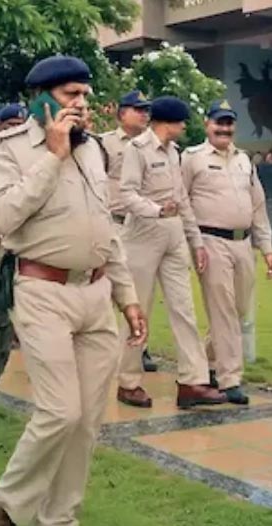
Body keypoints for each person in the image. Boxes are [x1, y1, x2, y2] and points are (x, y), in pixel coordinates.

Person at [0, 54, 147, 526]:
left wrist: (127, 296)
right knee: (59, 412)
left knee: (86, 422)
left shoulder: (93, 149)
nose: (82, 103)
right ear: (41, 99)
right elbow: (4, 216)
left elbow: (105, 227)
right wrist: (51, 156)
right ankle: (1, 511)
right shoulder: (7, 149)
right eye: (72, 95)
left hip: (96, 293)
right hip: (42, 290)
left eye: (85, 94)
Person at [115, 96, 226, 409]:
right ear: (168, 122)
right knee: (138, 309)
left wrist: (196, 241)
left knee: (184, 308)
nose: (184, 127)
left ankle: (192, 381)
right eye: (181, 121)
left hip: (173, 234)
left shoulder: (174, 152)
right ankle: (128, 382)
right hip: (143, 234)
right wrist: (155, 210)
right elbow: (126, 194)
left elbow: (182, 199)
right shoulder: (137, 149)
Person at [182, 99, 272, 404]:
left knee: (237, 309)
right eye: (218, 122)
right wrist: (193, 243)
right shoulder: (192, 158)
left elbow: (257, 206)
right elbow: (182, 202)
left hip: (243, 242)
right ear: (207, 124)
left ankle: (208, 364)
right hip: (210, 241)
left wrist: (267, 248)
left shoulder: (244, 160)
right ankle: (230, 378)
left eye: (229, 123)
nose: (224, 128)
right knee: (223, 310)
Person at [99, 90, 159, 374]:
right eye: (138, 109)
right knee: (106, 289)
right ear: (122, 113)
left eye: (147, 110)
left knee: (139, 290)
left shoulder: (153, 145)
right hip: (114, 222)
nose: (145, 115)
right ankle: (106, 347)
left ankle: (139, 348)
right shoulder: (104, 144)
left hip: (142, 224)